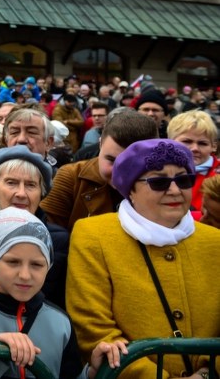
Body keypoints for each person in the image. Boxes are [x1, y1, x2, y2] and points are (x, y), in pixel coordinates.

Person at [67, 139, 220, 379]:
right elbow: (94, 328)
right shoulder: (93, 235)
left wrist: (207, 374)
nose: (175, 190)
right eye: (159, 182)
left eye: (183, 180)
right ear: (131, 189)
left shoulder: (215, 241)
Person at [0, 208, 113, 379]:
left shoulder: (60, 322)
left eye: (37, 265)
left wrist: (93, 373)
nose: (25, 275)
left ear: (48, 266)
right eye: (13, 262)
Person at [0, 145, 69, 308]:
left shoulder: (59, 240)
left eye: (31, 185)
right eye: (12, 183)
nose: (21, 193)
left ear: (41, 192)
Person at [40, 109, 158, 232]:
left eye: (133, 164)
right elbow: (47, 234)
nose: (120, 172)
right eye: (112, 160)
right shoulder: (71, 178)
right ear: (100, 144)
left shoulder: (168, 184)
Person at [167, 109, 219, 219]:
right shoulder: (156, 171)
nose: (195, 148)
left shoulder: (218, 177)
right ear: (170, 142)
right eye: (187, 141)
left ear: (214, 146)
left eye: (202, 143)